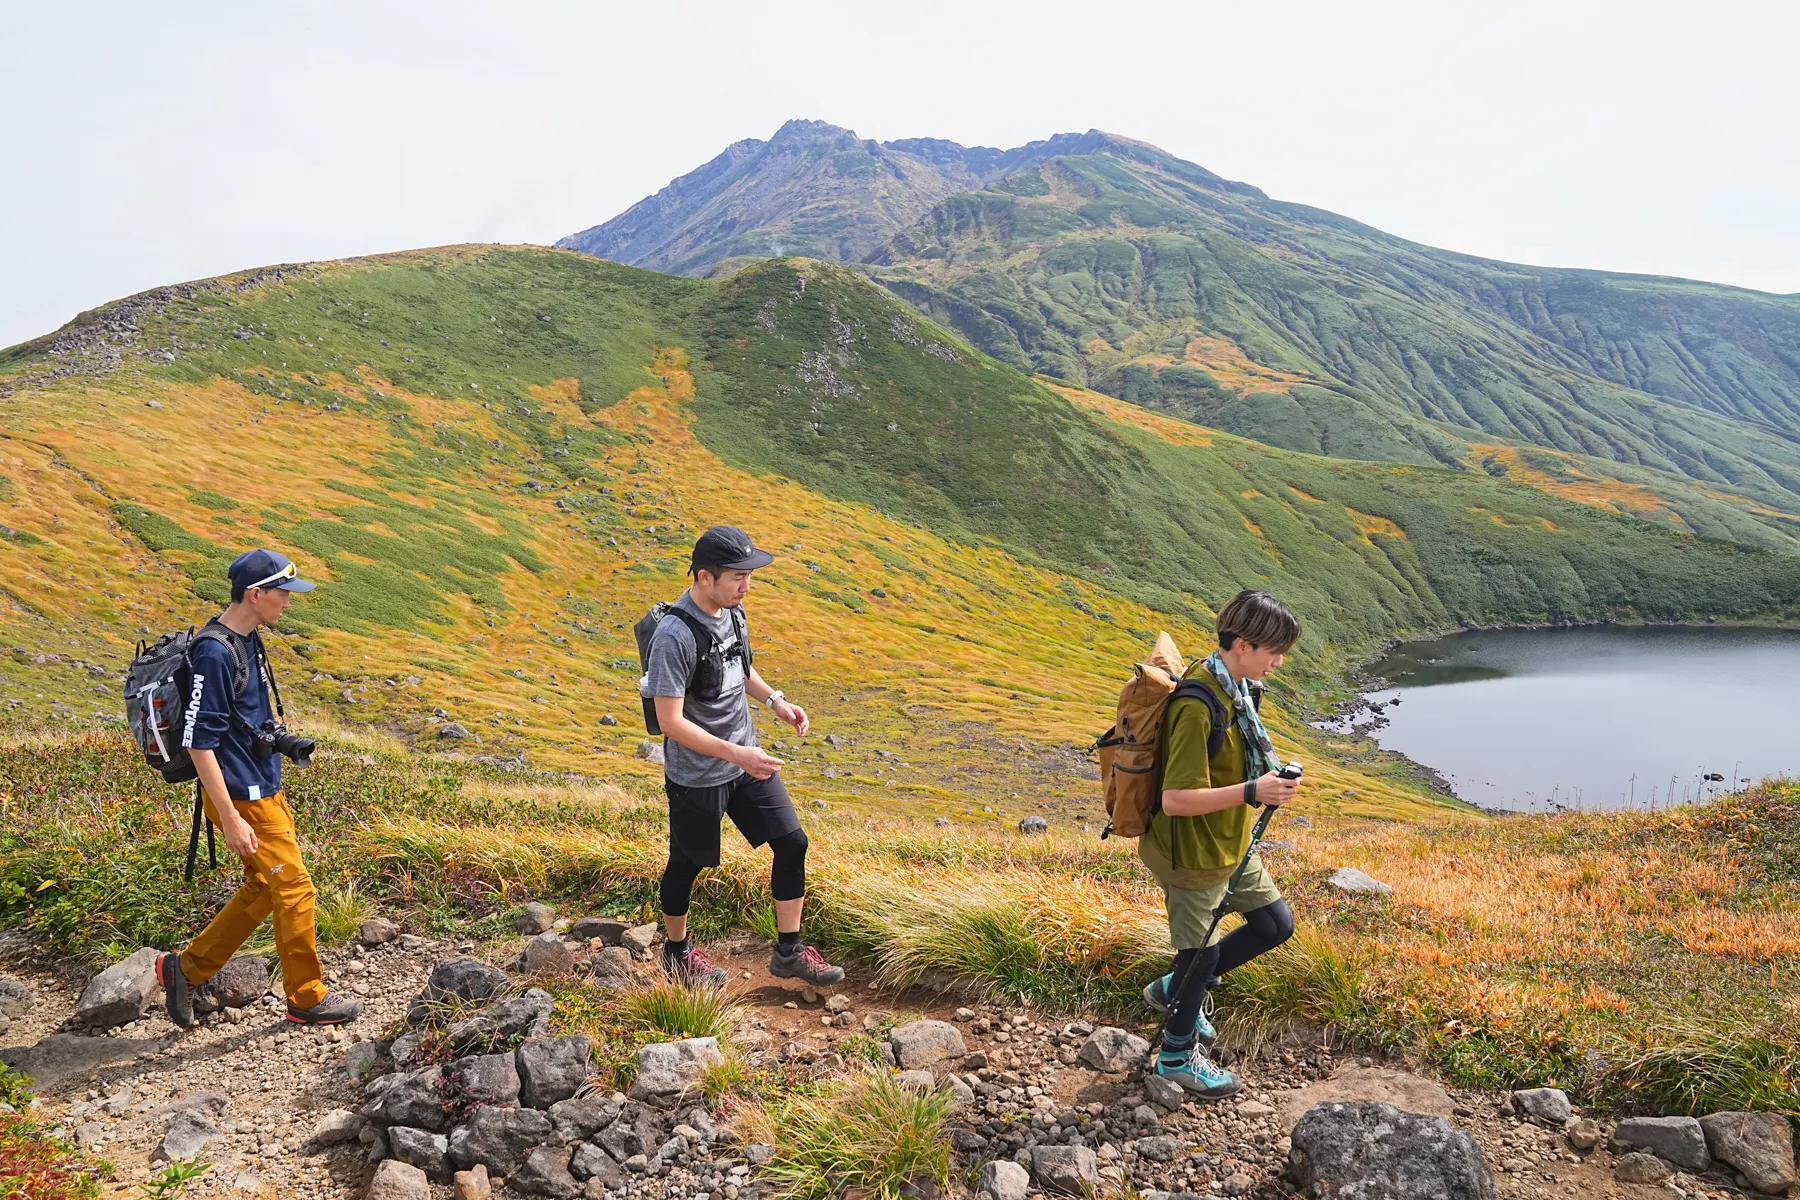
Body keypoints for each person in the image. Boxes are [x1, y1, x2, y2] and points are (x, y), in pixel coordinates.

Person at [155, 549, 362, 1029]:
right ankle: (306, 999)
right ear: (256, 594)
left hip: (261, 785)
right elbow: (199, 741)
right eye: (283, 594)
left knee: (263, 888)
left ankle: (185, 969)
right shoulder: (214, 652)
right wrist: (228, 816)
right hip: (241, 796)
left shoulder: (246, 640)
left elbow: (246, 720)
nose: (287, 603)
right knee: (294, 888)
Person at [643, 526, 844, 989]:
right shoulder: (674, 635)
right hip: (698, 774)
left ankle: (789, 953)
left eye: (749, 575)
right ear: (704, 577)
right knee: (686, 864)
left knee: (792, 843)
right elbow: (670, 720)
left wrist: (775, 700)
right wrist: (737, 752)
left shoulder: (732, 612)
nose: (746, 585)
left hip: (746, 761)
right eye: (738, 576)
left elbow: (740, 666)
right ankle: (676, 954)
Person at [1139, 590, 1302, 1097]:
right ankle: (1175, 1058)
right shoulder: (1198, 702)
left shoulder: (1240, 691)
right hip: (1191, 851)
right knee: (1201, 958)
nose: (1278, 662)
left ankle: (1172, 990)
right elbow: (1175, 800)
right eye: (1272, 651)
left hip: (1230, 842)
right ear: (1241, 643)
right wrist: (1255, 790)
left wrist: (1264, 778)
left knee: (1274, 925)